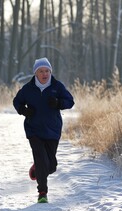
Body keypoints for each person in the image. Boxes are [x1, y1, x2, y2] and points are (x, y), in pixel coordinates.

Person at [13, 57, 75, 203]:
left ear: (50, 72)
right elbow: (17, 101)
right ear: (36, 73)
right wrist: (23, 110)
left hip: (52, 130)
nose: (44, 74)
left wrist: (58, 103)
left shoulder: (57, 86)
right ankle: (42, 193)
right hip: (33, 130)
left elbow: (70, 101)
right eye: (41, 71)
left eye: (47, 70)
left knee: (51, 166)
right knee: (41, 159)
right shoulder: (28, 89)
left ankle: (38, 167)